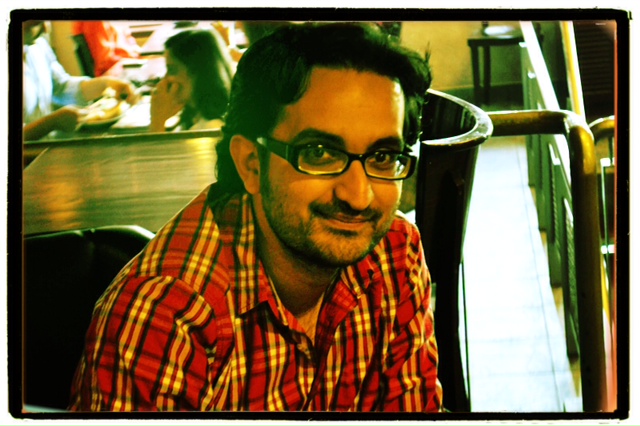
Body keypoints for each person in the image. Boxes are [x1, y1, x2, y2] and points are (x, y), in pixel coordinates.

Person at [70, 22, 442, 412]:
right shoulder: (166, 318)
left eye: (382, 157)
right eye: (319, 153)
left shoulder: (395, 249)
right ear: (251, 163)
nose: (358, 196)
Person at [23, 20, 137, 141]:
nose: (46, 29)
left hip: (48, 144)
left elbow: (61, 87)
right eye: (35, 24)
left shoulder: (38, 45)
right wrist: (51, 124)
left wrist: (106, 84)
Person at [149, 29, 234, 132]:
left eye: (172, 70)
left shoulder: (210, 128)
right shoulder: (197, 117)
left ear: (199, 74)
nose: (164, 80)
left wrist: (157, 120)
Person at [72, 21, 141, 77]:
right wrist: (132, 56)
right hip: (114, 72)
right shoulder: (94, 23)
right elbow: (104, 63)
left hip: (125, 62)